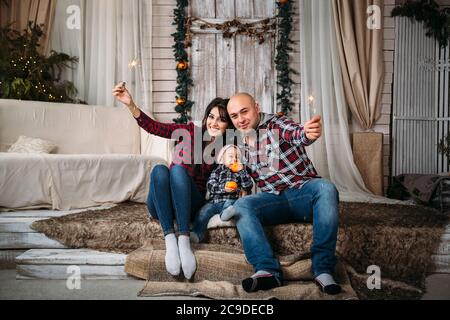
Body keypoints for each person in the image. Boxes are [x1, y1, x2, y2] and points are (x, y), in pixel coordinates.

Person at [113, 83, 233, 280]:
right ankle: (170, 239)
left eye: (221, 120)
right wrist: (131, 105)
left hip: (190, 203)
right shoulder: (189, 131)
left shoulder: (227, 147)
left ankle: (184, 240)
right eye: (211, 116)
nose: (214, 123)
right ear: (205, 118)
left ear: (228, 125)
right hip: (161, 203)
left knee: (177, 170)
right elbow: (155, 127)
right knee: (160, 169)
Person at [227, 93, 341, 295]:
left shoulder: (276, 123)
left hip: (302, 192)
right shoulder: (239, 143)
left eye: (244, 111)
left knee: (326, 188)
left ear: (256, 107)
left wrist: (307, 133)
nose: (240, 119)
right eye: (235, 116)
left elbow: (297, 134)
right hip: (274, 199)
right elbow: (243, 180)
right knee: (243, 205)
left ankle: (322, 269)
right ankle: (267, 270)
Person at [190, 144, 253, 243]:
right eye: (231, 156)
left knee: (231, 206)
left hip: (231, 200)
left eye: (237, 157)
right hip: (215, 201)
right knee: (203, 212)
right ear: (222, 159)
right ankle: (197, 234)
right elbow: (210, 185)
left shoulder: (241, 173)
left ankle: (225, 214)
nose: (234, 159)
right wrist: (223, 188)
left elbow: (248, 186)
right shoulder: (217, 171)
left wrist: (242, 172)